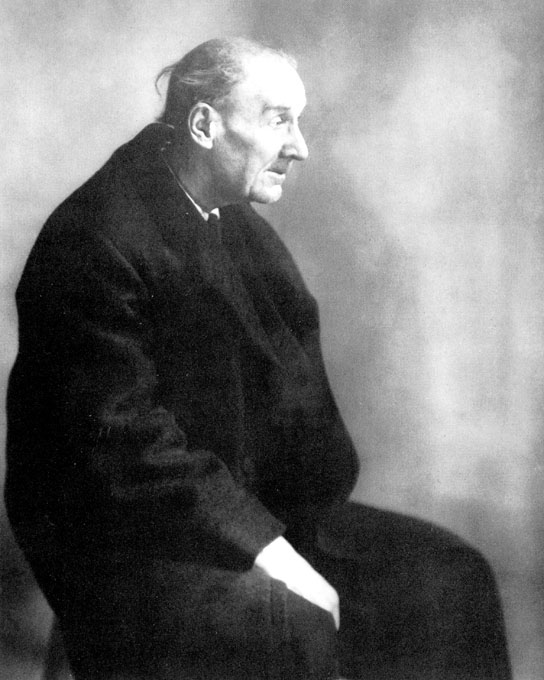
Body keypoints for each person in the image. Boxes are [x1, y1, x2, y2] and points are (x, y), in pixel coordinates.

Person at [5, 37, 511, 680]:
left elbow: (294, 391)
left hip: (233, 512)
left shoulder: (238, 225)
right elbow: (126, 449)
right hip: (123, 539)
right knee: (291, 619)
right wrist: (272, 551)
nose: (300, 147)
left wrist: (293, 526)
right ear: (204, 125)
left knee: (450, 575)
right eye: (279, 121)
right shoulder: (96, 237)